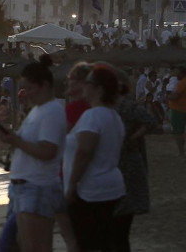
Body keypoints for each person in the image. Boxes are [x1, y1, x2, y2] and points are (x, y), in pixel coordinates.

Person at [0, 57, 67, 252]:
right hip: (24, 187)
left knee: (36, 247)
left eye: (29, 88)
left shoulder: (51, 111)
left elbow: (48, 151)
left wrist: (16, 141)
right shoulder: (38, 110)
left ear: (44, 85)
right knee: (24, 245)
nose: (25, 94)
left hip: (37, 187)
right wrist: (11, 139)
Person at [64, 63, 126, 252]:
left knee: (88, 243)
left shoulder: (93, 116)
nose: (84, 86)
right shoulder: (113, 116)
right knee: (103, 241)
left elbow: (84, 153)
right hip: (110, 185)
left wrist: (72, 185)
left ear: (98, 89)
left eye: (88, 83)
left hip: (91, 189)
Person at [112, 70, 154, 252]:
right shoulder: (119, 104)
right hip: (125, 159)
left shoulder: (122, 105)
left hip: (124, 161)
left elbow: (150, 121)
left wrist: (134, 136)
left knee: (118, 227)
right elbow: (150, 121)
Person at [168, 66, 186, 157]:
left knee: (178, 132)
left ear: (182, 73)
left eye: (177, 73)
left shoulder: (182, 83)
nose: (176, 74)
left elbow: (175, 96)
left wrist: (167, 97)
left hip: (178, 110)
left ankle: (181, 152)